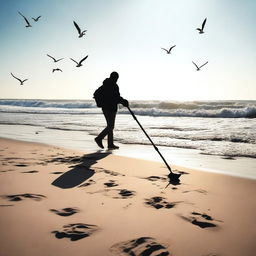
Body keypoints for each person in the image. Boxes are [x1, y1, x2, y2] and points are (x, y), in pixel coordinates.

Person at [95, 71, 129, 149]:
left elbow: (114, 97)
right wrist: (123, 101)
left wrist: (122, 101)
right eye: (116, 78)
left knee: (110, 126)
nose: (117, 79)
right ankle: (99, 138)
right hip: (110, 108)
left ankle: (110, 144)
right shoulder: (113, 85)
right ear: (115, 78)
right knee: (110, 126)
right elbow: (116, 97)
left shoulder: (105, 85)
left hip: (105, 108)